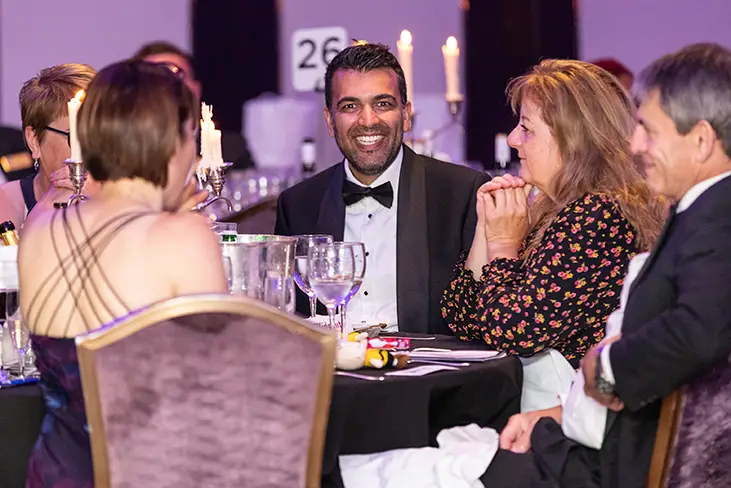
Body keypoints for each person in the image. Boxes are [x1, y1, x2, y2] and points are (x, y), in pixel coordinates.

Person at [480, 42, 731, 488]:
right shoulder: (696, 211)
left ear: (701, 140)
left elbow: (700, 330)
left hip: (613, 467)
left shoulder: (716, 218)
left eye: (649, 131)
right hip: (600, 437)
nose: (635, 145)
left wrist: (606, 367)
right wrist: (560, 412)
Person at [18, 60, 228, 487]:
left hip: (58, 471)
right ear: (169, 141)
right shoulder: (184, 236)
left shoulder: (38, 230)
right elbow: (214, 387)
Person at [441, 59, 664, 410]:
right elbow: (462, 318)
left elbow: (516, 332)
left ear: (571, 139)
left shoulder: (597, 216)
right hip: (532, 404)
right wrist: (487, 228)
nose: (513, 139)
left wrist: (504, 244)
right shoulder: (549, 206)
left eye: (527, 128)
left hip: (569, 418)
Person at [275, 42, 490, 335]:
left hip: (426, 363)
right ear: (330, 121)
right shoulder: (297, 205)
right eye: (350, 106)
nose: (368, 121)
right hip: (335, 363)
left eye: (383, 104)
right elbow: (287, 318)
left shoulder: (462, 194)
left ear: (406, 114)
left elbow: (481, 314)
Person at [132, 41, 255, 170]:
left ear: (196, 89)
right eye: (154, 80)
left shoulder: (229, 149)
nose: (167, 88)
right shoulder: (123, 150)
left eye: (177, 77)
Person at [0, 64, 96, 228]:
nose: (93, 149)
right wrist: (47, 206)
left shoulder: (123, 201)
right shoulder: (6, 203)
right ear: (35, 140)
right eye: (76, 137)